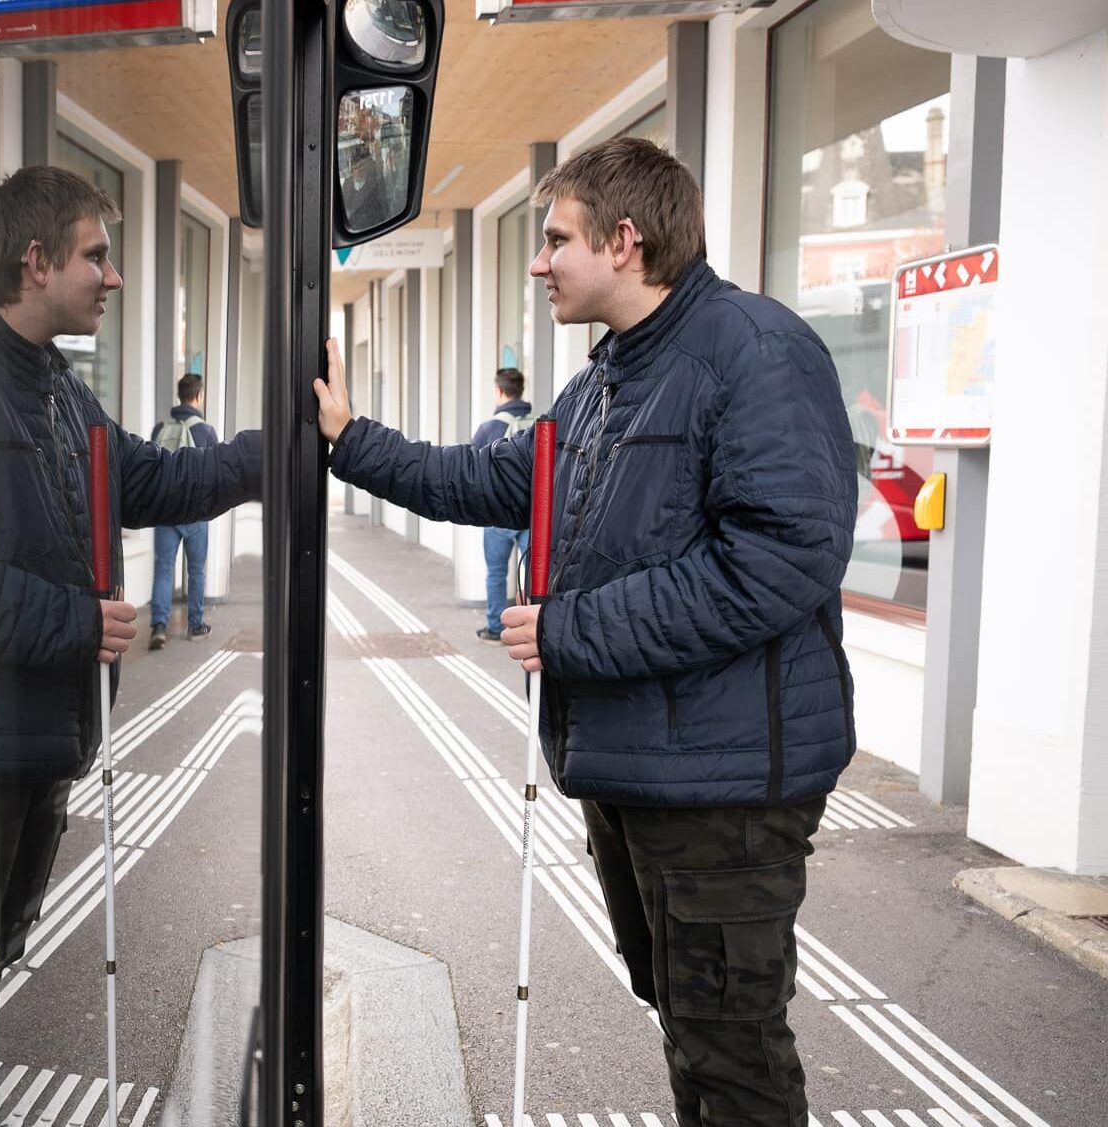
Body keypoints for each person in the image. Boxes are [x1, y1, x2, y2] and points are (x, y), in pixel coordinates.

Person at [312, 137, 856, 1127]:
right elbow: (487, 480)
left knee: (729, 1048)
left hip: (724, 792)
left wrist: (569, 630)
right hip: (640, 770)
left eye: (553, 238)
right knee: (686, 1020)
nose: (537, 261)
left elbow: (780, 557)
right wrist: (349, 438)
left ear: (622, 239)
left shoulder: (754, 350)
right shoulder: (606, 379)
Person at [0, 165, 262, 1126]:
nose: (112, 278)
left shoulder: (58, 390)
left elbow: (144, 479)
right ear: (35, 261)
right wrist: (83, 623)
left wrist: (267, 452)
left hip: (23, 737)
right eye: (97, 256)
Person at [147, 373, 221, 650]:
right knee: (197, 571)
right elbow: (215, 475)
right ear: (198, 396)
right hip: (195, 512)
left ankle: (159, 626)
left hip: (165, 511)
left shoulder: (159, 429)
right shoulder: (206, 431)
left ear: (180, 396)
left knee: (164, 568)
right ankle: (196, 625)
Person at [472, 367, 532, 644]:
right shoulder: (540, 423)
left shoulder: (489, 428)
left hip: (497, 515)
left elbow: (471, 471)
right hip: (532, 515)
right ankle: (533, 629)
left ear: (499, 391)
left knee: (496, 573)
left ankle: (496, 627)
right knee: (534, 574)